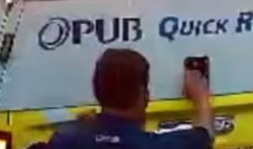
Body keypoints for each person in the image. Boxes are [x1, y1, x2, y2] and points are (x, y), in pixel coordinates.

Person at [47, 49, 214, 149]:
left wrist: (82, 130)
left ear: (97, 90)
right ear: (144, 96)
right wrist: (201, 98)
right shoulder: (158, 146)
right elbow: (205, 136)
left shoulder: (65, 139)